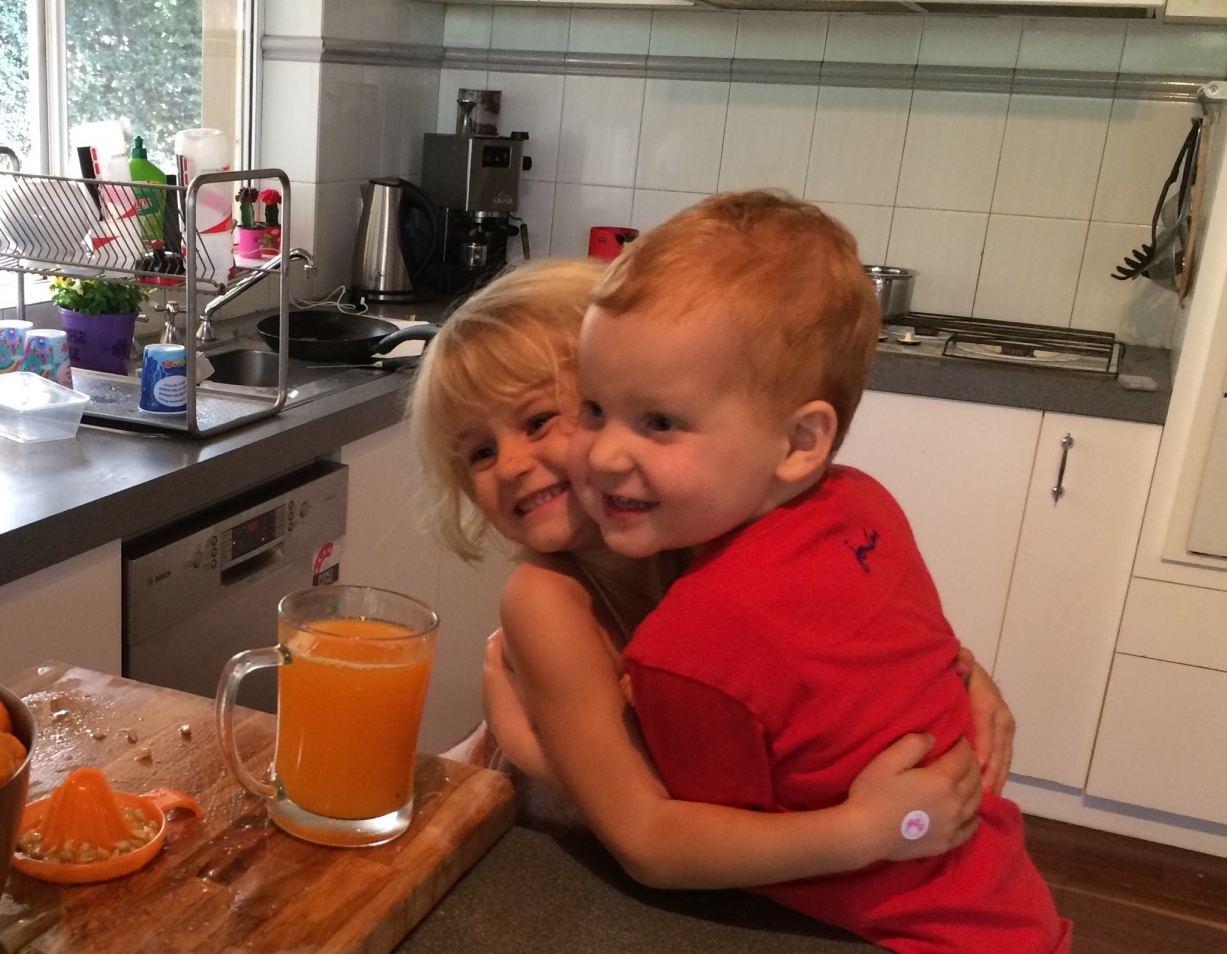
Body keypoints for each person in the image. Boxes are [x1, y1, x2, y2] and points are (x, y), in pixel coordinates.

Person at [546, 191, 1069, 954]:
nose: (602, 454)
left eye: (659, 423)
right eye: (595, 409)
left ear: (798, 440)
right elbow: (911, 652)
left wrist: (537, 728)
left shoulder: (697, 644)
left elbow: (673, 843)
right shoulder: (862, 501)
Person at [409, 258, 1008, 890]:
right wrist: (868, 829)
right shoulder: (544, 602)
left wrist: (963, 676)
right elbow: (645, 833)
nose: (509, 465)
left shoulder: (730, 532)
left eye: (538, 421)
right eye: (480, 452)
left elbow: (851, 649)